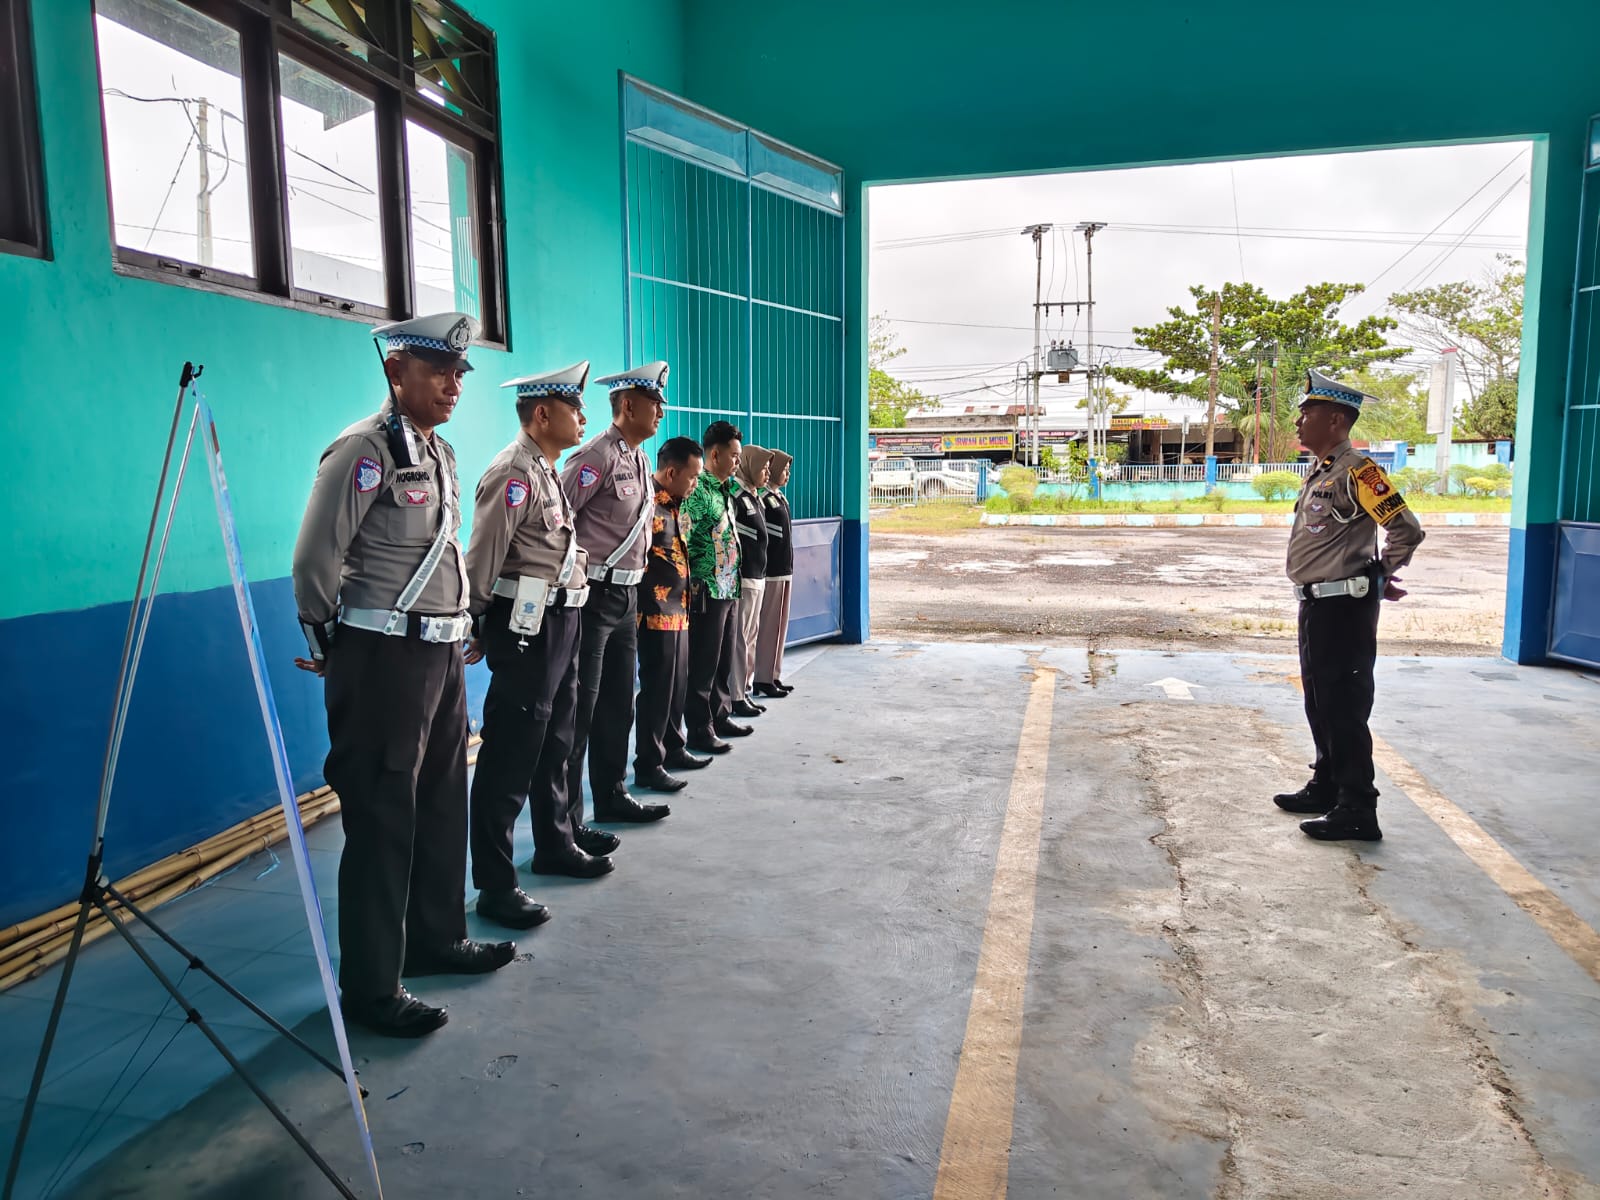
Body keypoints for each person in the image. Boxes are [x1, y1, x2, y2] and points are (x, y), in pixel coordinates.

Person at [291, 312, 513, 1039]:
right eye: (439, 371)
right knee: (384, 818)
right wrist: (333, 642)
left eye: (459, 374)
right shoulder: (364, 450)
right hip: (382, 657)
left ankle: (437, 938)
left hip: (439, 656)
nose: (454, 385)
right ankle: (372, 986)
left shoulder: (437, 452)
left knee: (444, 802)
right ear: (397, 372)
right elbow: (315, 559)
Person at [465, 362, 615, 923]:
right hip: (525, 628)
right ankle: (495, 885)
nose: (583, 418)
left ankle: (555, 843)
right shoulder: (513, 473)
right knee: (510, 754)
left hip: (562, 619)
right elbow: (483, 557)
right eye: (574, 408)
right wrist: (480, 623)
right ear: (543, 413)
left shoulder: (547, 470)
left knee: (556, 740)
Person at [1272, 368, 1426, 842]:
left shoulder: (1361, 471)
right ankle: (1327, 784)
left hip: (1344, 607)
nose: (1298, 422)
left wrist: (1380, 574)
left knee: (1344, 706)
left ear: (1336, 419)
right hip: (1317, 605)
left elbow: (1406, 528)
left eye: (1308, 413)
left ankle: (1358, 807)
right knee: (1319, 701)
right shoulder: (1322, 472)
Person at [560, 362, 672, 830]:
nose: (662, 411)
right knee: (579, 711)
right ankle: (567, 823)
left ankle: (612, 794)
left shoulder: (641, 460)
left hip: (627, 598)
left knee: (617, 706)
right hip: (593, 596)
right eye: (655, 403)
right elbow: (557, 519)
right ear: (629, 405)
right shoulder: (595, 457)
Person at [633, 437, 709, 792]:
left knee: (677, 687)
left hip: (679, 612)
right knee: (657, 691)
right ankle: (649, 763)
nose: (695, 484)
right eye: (693, 477)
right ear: (672, 471)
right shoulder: (647, 505)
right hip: (654, 613)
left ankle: (673, 748)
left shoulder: (675, 505)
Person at [682, 420, 751, 753]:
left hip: (728, 587)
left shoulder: (725, 490)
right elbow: (683, 537)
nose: (738, 462)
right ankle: (699, 728)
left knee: (723, 660)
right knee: (703, 664)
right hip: (707, 589)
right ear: (715, 454)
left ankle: (720, 716)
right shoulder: (697, 492)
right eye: (734, 455)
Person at [728, 444, 772, 720]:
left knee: (751, 635)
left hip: (759, 576)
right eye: (762, 468)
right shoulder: (735, 495)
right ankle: (735, 695)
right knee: (740, 638)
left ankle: (746, 687)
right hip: (743, 577)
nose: (766, 473)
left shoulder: (755, 497)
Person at [752, 448, 795, 700]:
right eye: (783, 469)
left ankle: (773, 674)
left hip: (784, 569)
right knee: (768, 626)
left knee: (779, 625)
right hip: (771, 571)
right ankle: (762, 678)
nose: (786, 474)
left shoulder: (778, 497)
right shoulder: (763, 499)